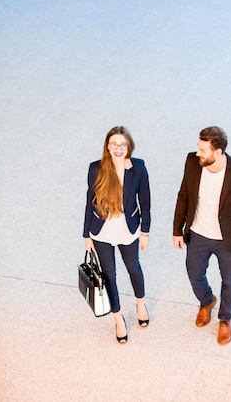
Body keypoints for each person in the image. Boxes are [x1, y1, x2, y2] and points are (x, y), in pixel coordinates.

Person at [172, 126, 231, 345]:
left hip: (226, 239)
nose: (198, 153)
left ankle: (225, 320)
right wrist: (177, 229)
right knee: (194, 275)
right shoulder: (193, 162)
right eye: (198, 148)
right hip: (198, 233)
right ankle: (207, 301)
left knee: (229, 281)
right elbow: (183, 195)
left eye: (203, 150)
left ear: (218, 152)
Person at [83, 126, 151, 344]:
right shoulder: (96, 168)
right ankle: (117, 317)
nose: (118, 149)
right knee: (109, 275)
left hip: (128, 229)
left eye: (122, 144)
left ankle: (140, 304)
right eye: (114, 145)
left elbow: (146, 203)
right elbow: (89, 202)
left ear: (129, 146)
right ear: (107, 146)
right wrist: (86, 235)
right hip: (102, 230)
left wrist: (145, 232)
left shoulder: (138, 167)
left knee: (133, 268)